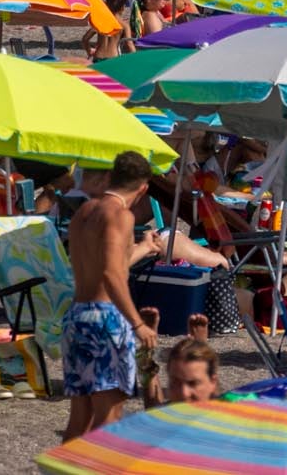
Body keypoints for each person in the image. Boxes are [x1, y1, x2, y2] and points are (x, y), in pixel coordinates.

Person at [64, 151, 158, 440]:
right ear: (143, 189)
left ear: (110, 176)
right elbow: (111, 274)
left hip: (77, 317)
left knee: (79, 421)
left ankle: (63, 465)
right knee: (109, 419)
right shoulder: (121, 215)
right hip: (105, 320)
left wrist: (144, 248)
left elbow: (108, 264)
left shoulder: (84, 212)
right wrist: (137, 324)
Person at [163, 337, 222, 404]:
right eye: (175, 382)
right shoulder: (157, 411)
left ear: (213, 382)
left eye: (193, 383)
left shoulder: (229, 409)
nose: (184, 393)